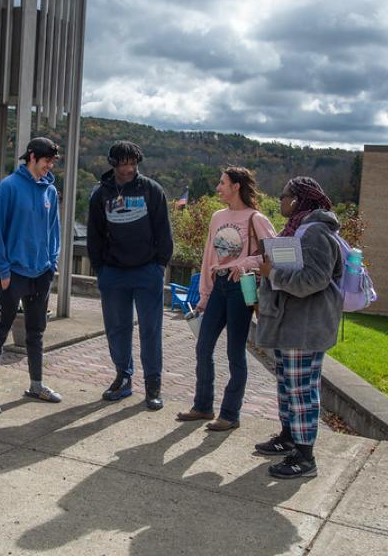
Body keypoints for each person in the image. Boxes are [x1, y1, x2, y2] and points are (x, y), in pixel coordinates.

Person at [255, 176, 343, 479]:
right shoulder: (300, 229)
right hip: (290, 325)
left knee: (302, 389)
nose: (280, 201)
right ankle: (289, 438)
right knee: (288, 386)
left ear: (298, 199)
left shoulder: (316, 232)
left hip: (305, 328)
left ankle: (305, 458)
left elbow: (313, 280)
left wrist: (273, 274)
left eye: (283, 196)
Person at [176, 167, 276, 431]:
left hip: (241, 288)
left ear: (236, 186)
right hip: (219, 285)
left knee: (235, 352)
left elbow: (274, 253)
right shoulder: (218, 216)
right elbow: (209, 256)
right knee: (203, 346)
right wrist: (204, 295)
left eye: (222, 183)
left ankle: (230, 414)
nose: (218, 188)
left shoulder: (256, 218)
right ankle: (203, 406)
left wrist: (244, 262)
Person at [87, 140, 173, 410]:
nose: (128, 169)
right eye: (123, 164)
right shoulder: (100, 194)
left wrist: (159, 266)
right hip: (113, 274)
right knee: (117, 329)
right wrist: (100, 269)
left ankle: (153, 386)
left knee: (150, 330)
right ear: (113, 164)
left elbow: (163, 231)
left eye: (133, 164)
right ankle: (123, 378)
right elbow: (94, 235)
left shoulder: (151, 190)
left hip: (147, 272)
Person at [0, 137, 62, 414]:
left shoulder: (50, 191)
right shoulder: (8, 188)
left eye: (52, 161)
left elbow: (54, 232)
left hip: (41, 274)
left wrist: (52, 263)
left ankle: (36, 384)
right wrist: (2, 270)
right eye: (46, 160)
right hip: (13, 274)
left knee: (36, 332)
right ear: (32, 158)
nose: (50, 166)